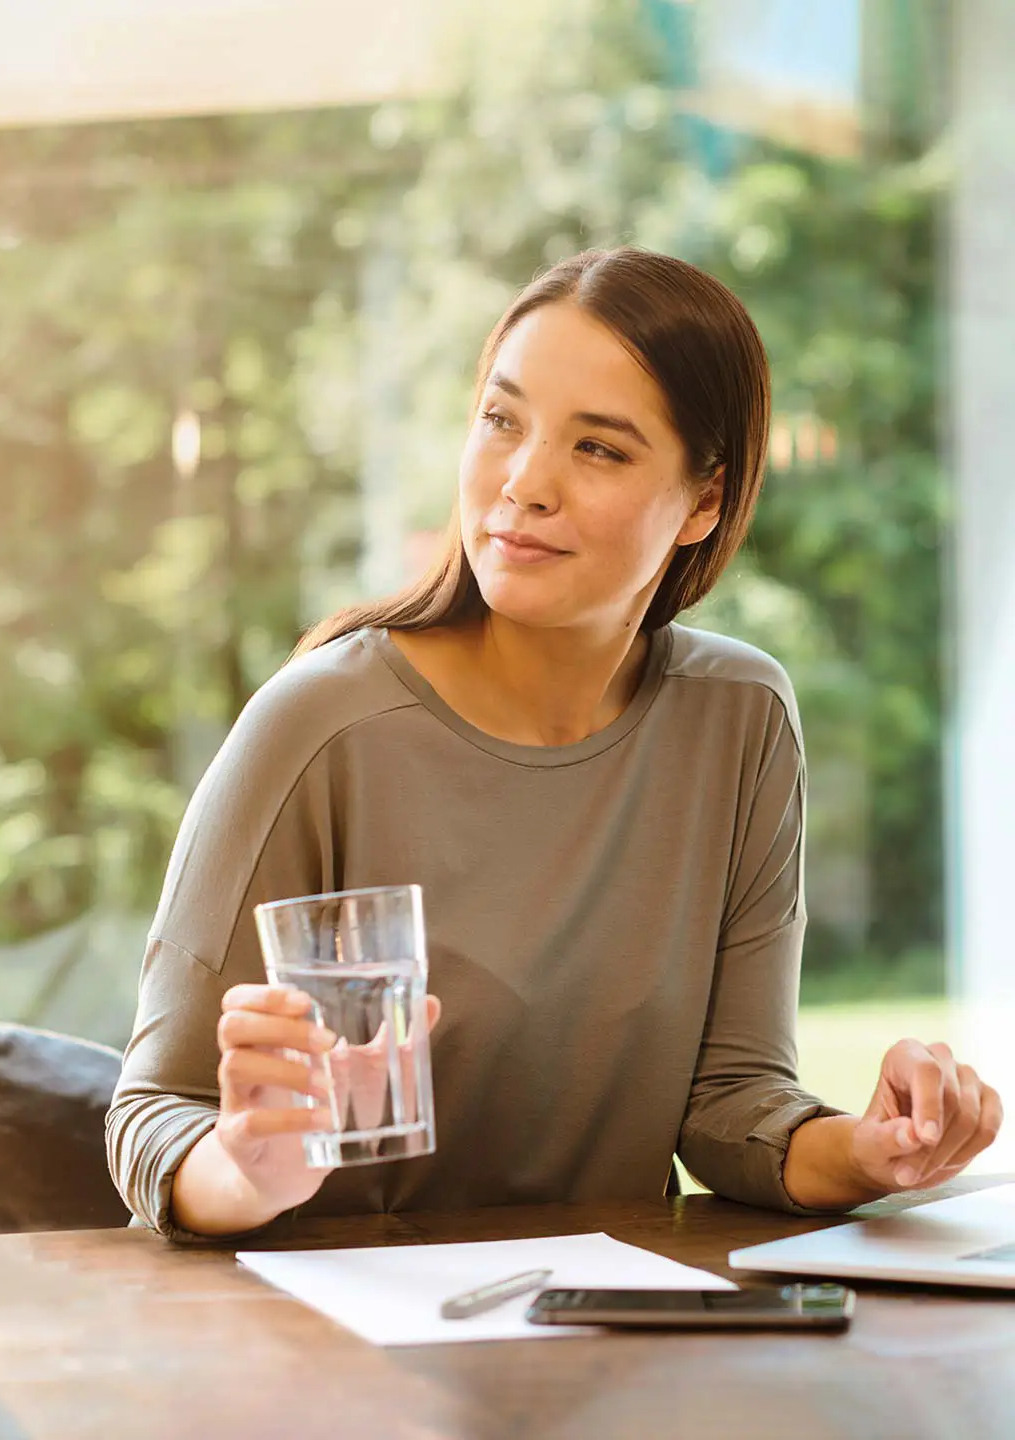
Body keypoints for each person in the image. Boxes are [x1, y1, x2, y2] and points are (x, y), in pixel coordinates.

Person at [105, 246, 1003, 1239]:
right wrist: (248, 1167)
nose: (525, 483)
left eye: (600, 449)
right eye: (502, 421)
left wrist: (872, 1149)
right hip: (339, 1348)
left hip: (610, 1339)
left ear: (706, 501)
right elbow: (150, 1116)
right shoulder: (319, 726)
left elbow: (732, 1106)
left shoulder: (739, 718)